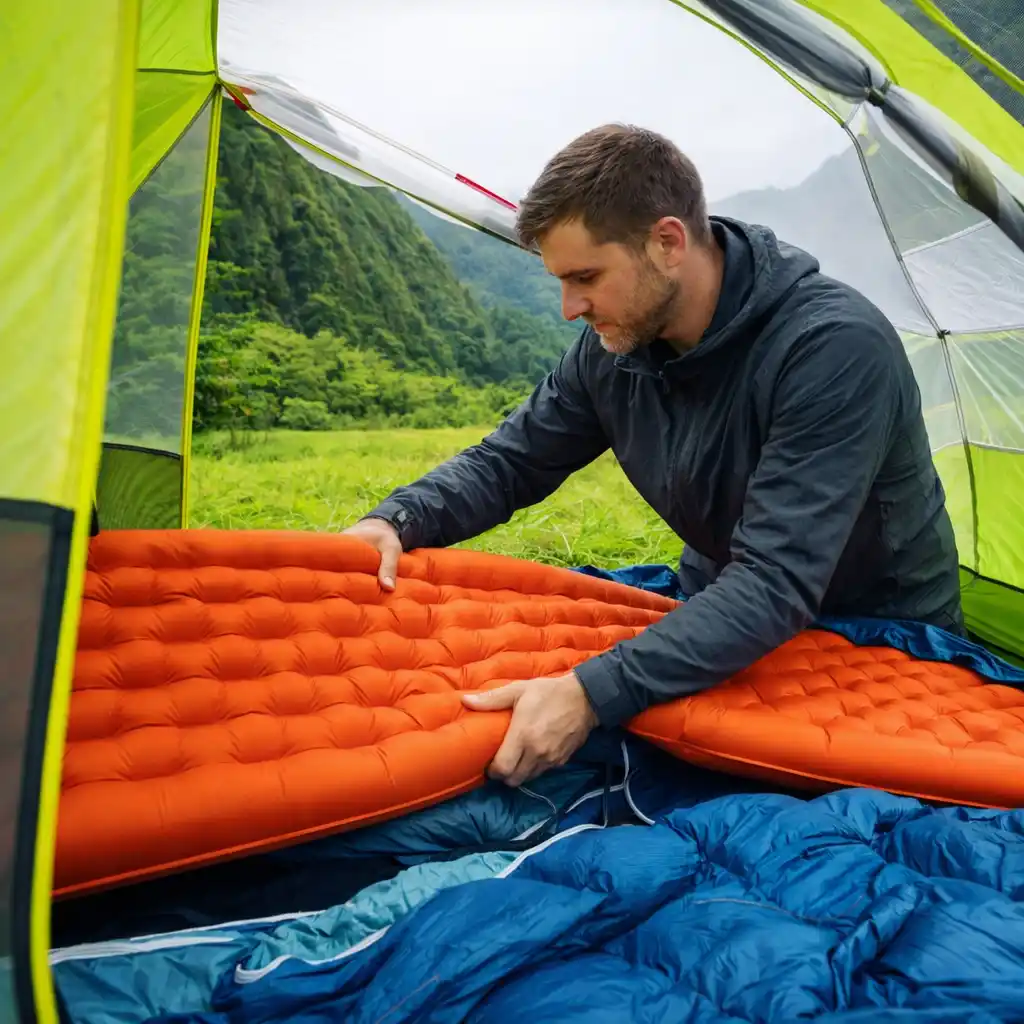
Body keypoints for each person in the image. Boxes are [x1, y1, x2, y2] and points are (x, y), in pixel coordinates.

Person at [343, 123, 963, 788]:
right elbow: (511, 462)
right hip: (720, 606)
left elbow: (776, 581)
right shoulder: (615, 348)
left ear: (668, 242)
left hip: (877, 639)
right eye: (559, 280)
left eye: (585, 277)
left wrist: (589, 692)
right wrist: (397, 521)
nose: (568, 307)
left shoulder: (831, 349)